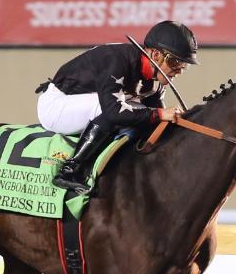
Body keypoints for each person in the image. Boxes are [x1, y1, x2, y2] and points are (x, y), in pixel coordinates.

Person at [35, 20, 199, 193]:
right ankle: (70, 171)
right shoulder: (116, 60)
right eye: (175, 62)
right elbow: (114, 112)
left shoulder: (156, 82)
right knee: (114, 108)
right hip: (56, 106)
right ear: (156, 55)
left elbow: (155, 120)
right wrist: (159, 114)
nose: (179, 70)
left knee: (142, 114)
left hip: (86, 106)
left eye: (184, 65)